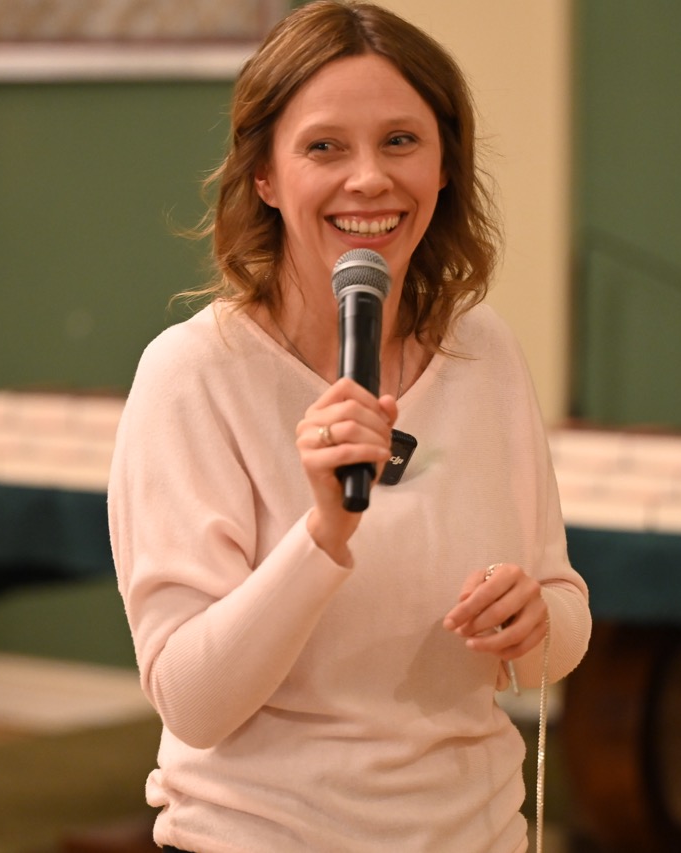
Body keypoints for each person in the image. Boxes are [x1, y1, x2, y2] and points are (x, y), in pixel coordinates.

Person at [107, 2, 591, 851]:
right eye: (325, 147)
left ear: (445, 166)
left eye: (401, 141)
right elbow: (193, 701)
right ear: (265, 175)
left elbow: (562, 616)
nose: (369, 179)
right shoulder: (192, 375)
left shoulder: (485, 352)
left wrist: (534, 619)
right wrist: (322, 534)